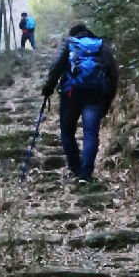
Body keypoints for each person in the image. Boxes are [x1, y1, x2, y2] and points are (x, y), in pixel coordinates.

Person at [41, 21, 118, 182]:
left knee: (67, 132)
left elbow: (56, 67)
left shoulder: (69, 43)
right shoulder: (102, 46)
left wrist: (48, 88)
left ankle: (75, 168)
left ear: (73, 34)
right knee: (91, 134)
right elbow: (113, 76)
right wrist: (106, 102)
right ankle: (85, 174)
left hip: (71, 94)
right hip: (95, 96)